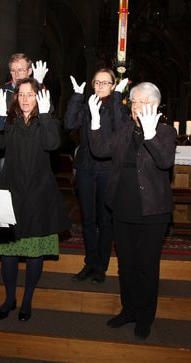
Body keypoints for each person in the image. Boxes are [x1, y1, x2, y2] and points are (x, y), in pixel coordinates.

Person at [88, 82, 176, 340]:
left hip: (152, 212)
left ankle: (145, 316)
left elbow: (164, 161)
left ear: (155, 105)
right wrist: (95, 122)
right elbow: (100, 149)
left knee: (146, 265)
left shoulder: (166, 132)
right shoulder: (125, 130)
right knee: (126, 265)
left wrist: (150, 135)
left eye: (141, 102)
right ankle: (128, 310)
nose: (135, 107)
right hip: (123, 208)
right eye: (133, 102)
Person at [0, 78, 70, 322]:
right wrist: (1, 116)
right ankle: (9, 298)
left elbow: (52, 143)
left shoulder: (48, 122)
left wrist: (44, 116)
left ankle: (27, 300)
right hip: (10, 192)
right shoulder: (10, 122)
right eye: (21, 94)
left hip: (38, 194)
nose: (24, 98)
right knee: (9, 253)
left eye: (30, 94)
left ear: (39, 97)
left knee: (34, 252)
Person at [64, 69, 128, 284]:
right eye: (97, 82)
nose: (100, 86)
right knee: (88, 218)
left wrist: (117, 98)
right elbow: (69, 124)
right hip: (85, 167)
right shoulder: (85, 106)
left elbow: (120, 128)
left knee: (105, 219)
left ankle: (101, 265)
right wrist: (75, 97)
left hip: (108, 168)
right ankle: (90, 262)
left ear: (112, 85)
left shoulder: (117, 107)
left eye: (105, 83)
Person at [0, 53, 49, 173]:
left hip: (32, 142)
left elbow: (48, 111)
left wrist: (38, 86)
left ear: (30, 71)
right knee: (5, 184)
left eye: (20, 70)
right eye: (13, 71)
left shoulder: (38, 88)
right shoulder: (5, 89)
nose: (17, 74)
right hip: (9, 144)